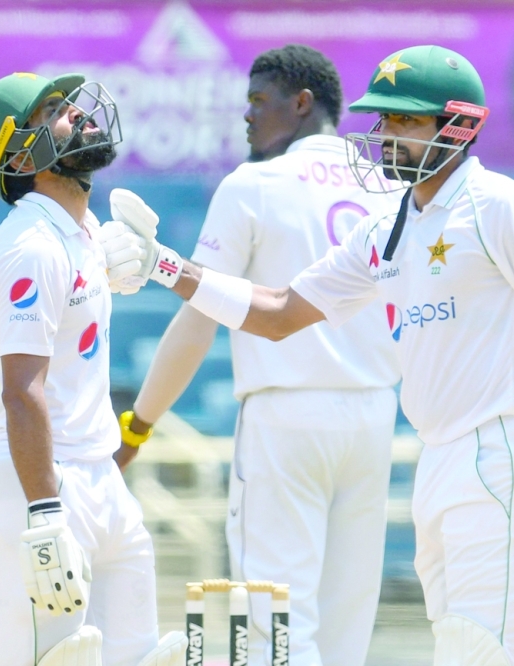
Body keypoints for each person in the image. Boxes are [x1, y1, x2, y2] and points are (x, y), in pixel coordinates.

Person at [105, 45, 514, 666]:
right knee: (464, 646)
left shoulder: (501, 207)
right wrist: (166, 267)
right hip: (441, 456)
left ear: (457, 127)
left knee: (479, 652)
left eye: (405, 122)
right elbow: (279, 312)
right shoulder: (386, 227)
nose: (386, 136)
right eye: (384, 121)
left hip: (508, 448)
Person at [121, 45, 401, 666]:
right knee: (345, 625)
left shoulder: (253, 184)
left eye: (257, 101)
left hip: (286, 415)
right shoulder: (388, 186)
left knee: (274, 620)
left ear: (301, 103)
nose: (245, 118)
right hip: (375, 414)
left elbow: (199, 322)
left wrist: (138, 424)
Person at [0, 72, 185, 666]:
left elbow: (13, 379)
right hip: (45, 488)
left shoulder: (83, 231)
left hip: (101, 479)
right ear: (19, 152)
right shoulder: (30, 246)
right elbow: (20, 390)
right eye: (55, 112)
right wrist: (41, 511)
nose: (80, 115)